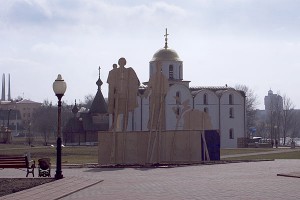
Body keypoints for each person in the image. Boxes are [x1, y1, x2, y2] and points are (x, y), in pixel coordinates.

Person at [107, 58, 140, 131]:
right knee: (115, 111)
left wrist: (131, 89)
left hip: (126, 95)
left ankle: (125, 127)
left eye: (123, 62)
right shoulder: (114, 72)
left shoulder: (128, 72)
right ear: (119, 63)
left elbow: (135, 82)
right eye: (120, 62)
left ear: (125, 63)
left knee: (126, 112)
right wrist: (113, 93)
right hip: (117, 95)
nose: (122, 63)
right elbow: (111, 83)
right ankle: (114, 125)